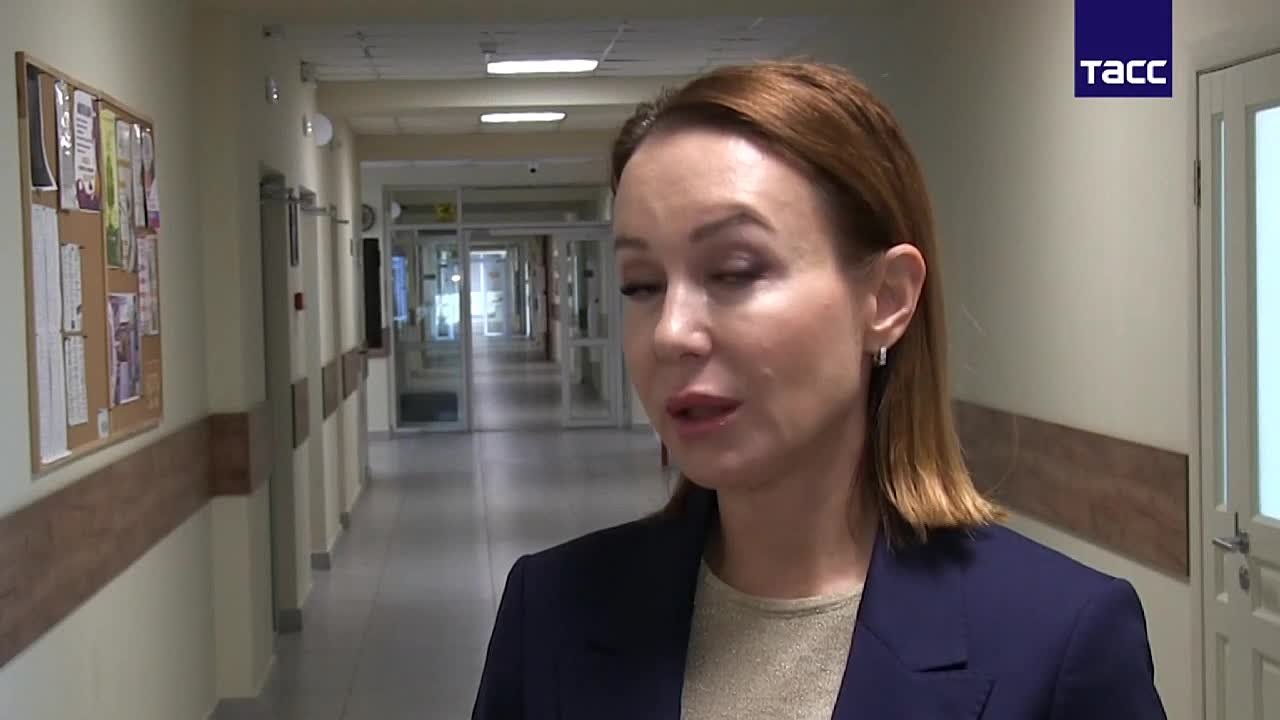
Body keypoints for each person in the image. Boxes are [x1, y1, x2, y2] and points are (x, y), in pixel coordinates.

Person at [472, 60, 1166, 720]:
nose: (671, 333)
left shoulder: (1058, 639)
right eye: (642, 285)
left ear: (886, 299)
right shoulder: (552, 610)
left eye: (734, 271)